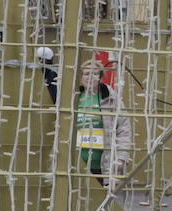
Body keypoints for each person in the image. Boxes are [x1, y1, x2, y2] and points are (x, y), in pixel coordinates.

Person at [43, 55, 132, 188]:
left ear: (101, 77)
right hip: (74, 163)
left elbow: (124, 130)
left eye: (95, 73)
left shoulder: (111, 98)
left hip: (103, 165)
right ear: (81, 77)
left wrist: (121, 158)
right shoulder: (73, 97)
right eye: (86, 73)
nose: (90, 77)